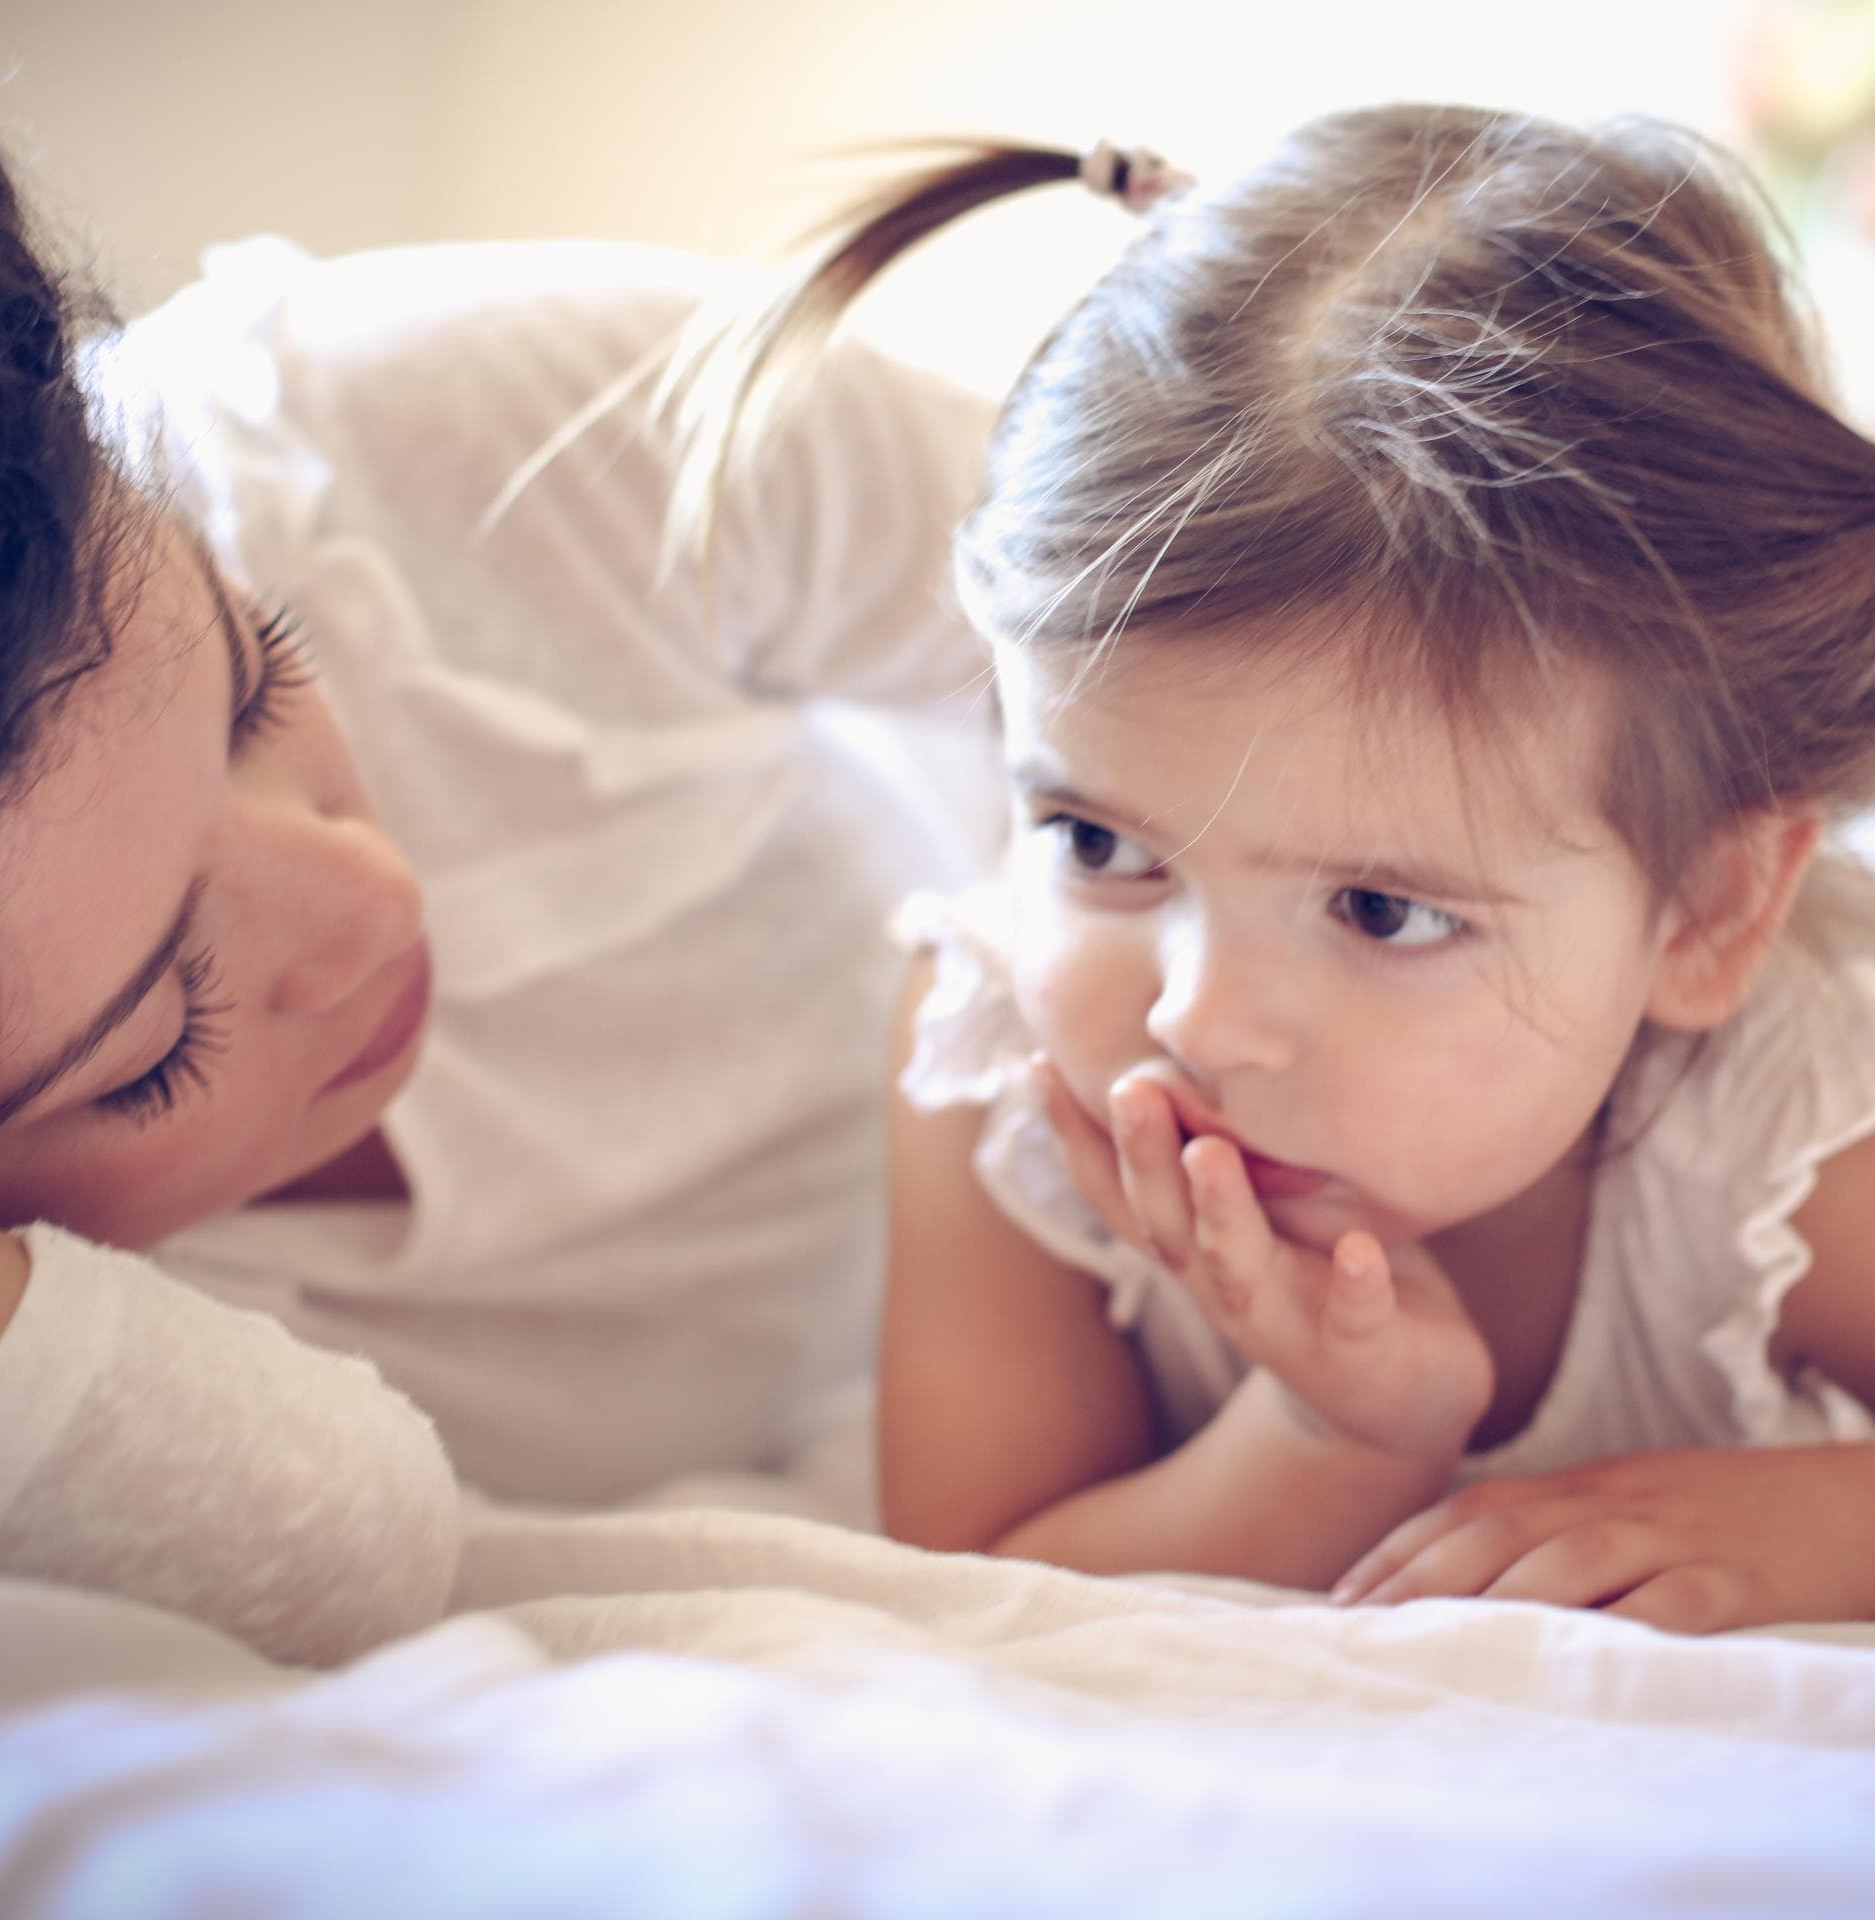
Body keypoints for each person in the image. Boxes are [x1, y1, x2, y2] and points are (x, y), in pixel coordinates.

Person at [687, 109, 1875, 1633]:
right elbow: (980, 1586)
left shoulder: (1792, 1116)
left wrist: (1834, 1528)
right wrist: (1336, 1437)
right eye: (1099, 843)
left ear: (1707, 914)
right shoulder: (1006, 1079)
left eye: (1384, 909)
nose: (1198, 1019)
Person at [0, 84, 996, 1664]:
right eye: (165, 1036)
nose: (375, 894)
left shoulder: (429, 433)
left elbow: (1250, 652)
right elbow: (335, 1547)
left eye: (257, 678)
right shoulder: (63, 1365)